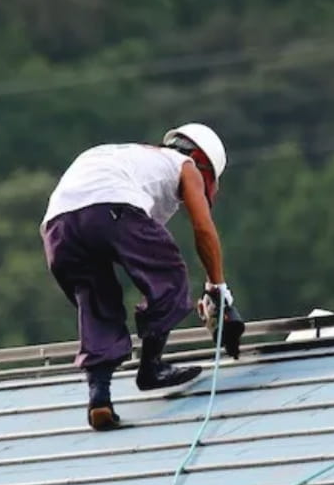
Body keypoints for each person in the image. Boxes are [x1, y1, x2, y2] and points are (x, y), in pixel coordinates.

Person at [41, 123, 244, 431]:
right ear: (203, 162)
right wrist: (218, 288)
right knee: (169, 276)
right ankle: (151, 367)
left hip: (58, 225)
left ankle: (100, 398)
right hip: (109, 206)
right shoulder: (185, 164)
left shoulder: (133, 159)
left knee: (96, 299)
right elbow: (203, 228)